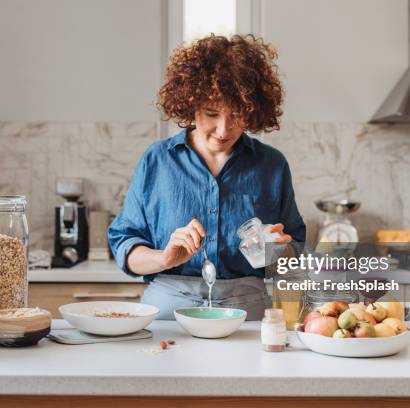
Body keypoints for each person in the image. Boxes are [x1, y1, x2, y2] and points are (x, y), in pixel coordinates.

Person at [108, 34, 305, 320]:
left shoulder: (272, 165)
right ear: (190, 104)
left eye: (237, 115)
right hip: (167, 306)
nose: (223, 129)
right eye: (212, 113)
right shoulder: (157, 160)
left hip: (246, 306)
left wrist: (279, 252)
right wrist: (163, 257)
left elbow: (294, 250)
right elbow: (125, 244)